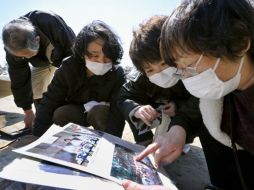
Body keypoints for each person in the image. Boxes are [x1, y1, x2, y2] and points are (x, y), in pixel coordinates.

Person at [123, 0, 254, 190]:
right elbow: (197, 110)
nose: (182, 77)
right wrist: (180, 129)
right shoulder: (223, 91)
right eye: (179, 68)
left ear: (240, 42)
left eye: (188, 65)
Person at [118, 15, 202, 147]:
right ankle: (144, 139)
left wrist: (179, 107)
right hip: (157, 111)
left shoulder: (193, 70)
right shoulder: (140, 77)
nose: (159, 73)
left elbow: (201, 101)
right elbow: (124, 97)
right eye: (150, 70)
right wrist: (137, 109)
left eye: (163, 64)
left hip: (183, 114)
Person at [32, 20, 126, 138]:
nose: (101, 61)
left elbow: (117, 112)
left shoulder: (117, 74)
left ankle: (104, 142)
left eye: (107, 56)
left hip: (100, 113)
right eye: (95, 55)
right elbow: (50, 100)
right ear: (83, 53)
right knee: (61, 113)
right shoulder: (68, 67)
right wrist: (38, 135)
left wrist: (114, 142)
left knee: (99, 113)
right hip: (77, 111)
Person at [2, 10, 76, 128]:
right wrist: (28, 111)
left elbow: (73, 56)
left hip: (61, 52)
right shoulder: (11, 49)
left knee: (68, 84)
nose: (25, 58)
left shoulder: (49, 21)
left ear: (37, 39)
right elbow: (19, 80)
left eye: (27, 54)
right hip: (40, 62)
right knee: (35, 86)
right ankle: (42, 116)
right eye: (22, 56)